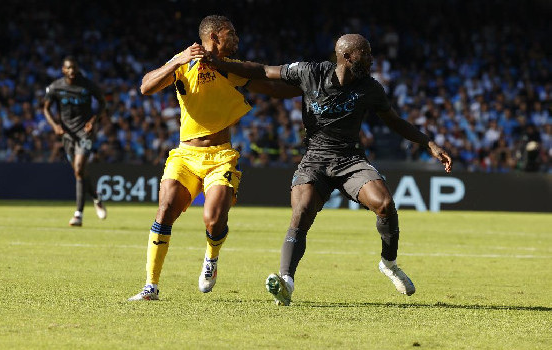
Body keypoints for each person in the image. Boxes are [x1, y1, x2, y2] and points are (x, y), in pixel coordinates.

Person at [204, 34, 452, 305]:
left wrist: (428, 143)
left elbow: (394, 121)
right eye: (365, 54)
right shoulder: (310, 72)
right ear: (346, 56)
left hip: (350, 160)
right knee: (302, 212)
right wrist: (222, 64)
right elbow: (263, 71)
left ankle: (388, 264)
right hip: (314, 160)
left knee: (385, 204)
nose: (371, 59)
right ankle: (286, 282)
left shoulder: (370, 88)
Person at [128, 15, 301, 301]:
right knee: (166, 209)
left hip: (220, 156)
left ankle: (211, 258)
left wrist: (310, 87)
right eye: (231, 33)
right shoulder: (183, 63)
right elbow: (146, 87)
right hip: (185, 154)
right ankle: (151, 286)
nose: (236, 39)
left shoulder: (230, 67)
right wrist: (177, 61)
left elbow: (270, 88)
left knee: (213, 218)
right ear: (215, 36)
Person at [43, 56, 107, 227]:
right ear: (63, 70)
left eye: (74, 67)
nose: (71, 71)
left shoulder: (87, 85)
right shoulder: (56, 87)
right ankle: (95, 196)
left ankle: (78, 214)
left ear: (78, 68)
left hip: (85, 132)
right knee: (80, 173)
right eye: (68, 68)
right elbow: (46, 108)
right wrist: (55, 125)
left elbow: (102, 103)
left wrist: (94, 120)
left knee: (79, 169)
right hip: (67, 135)